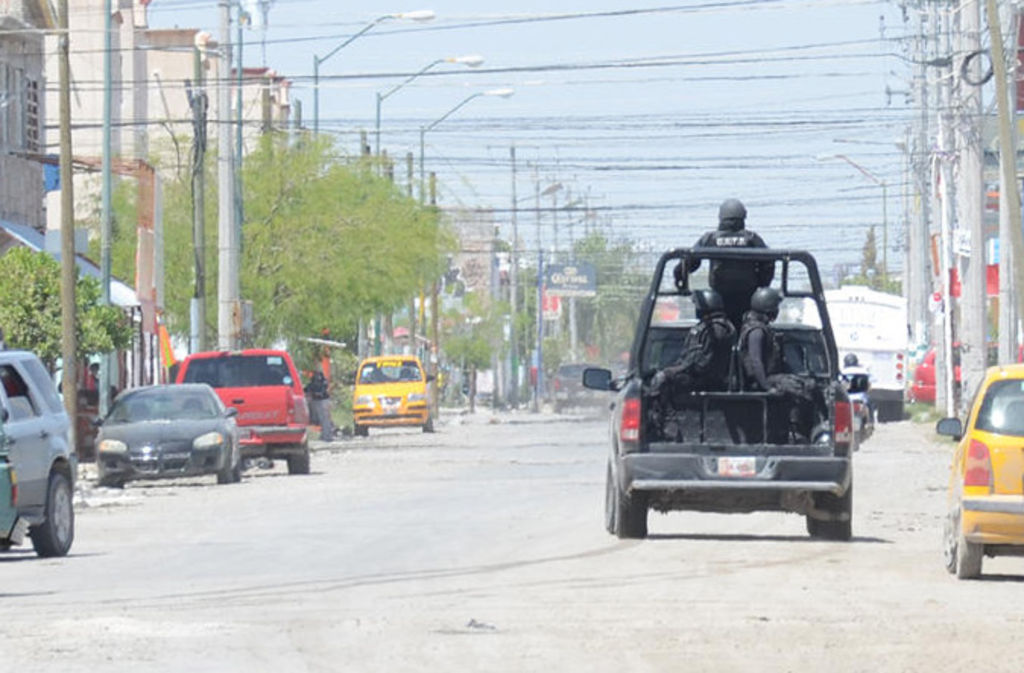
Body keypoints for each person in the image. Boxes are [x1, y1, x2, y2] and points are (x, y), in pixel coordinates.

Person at [738, 287, 819, 443]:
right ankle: (794, 431)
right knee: (801, 388)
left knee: (807, 385)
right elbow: (756, 362)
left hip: (768, 378)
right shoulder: (757, 331)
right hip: (761, 381)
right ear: (767, 308)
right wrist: (768, 387)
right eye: (775, 308)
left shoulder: (758, 327)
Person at [688, 198, 775, 327]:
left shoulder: (710, 239)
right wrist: (761, 284)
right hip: (747, 300)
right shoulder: (752, 239)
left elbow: (690, 261)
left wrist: (680, 279)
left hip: (718, 302)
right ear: (743, 217)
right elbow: (768, 262)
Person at [651, 289, 736, 397]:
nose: (696, 309)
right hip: (699, 376)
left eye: (697, 306)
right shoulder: (708, 327)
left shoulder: (716, 330)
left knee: (663, 378)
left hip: (705, 380)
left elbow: (701, 363)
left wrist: (672, 372)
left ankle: (666, 411)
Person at [304, 368, 335, 441]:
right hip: (324, 400)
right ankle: (327, 435)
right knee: (325, 419)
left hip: (320, 401)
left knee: (323, 419)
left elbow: (309, 389)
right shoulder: (323, 381)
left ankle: (327, 436)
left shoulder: (315, 381)